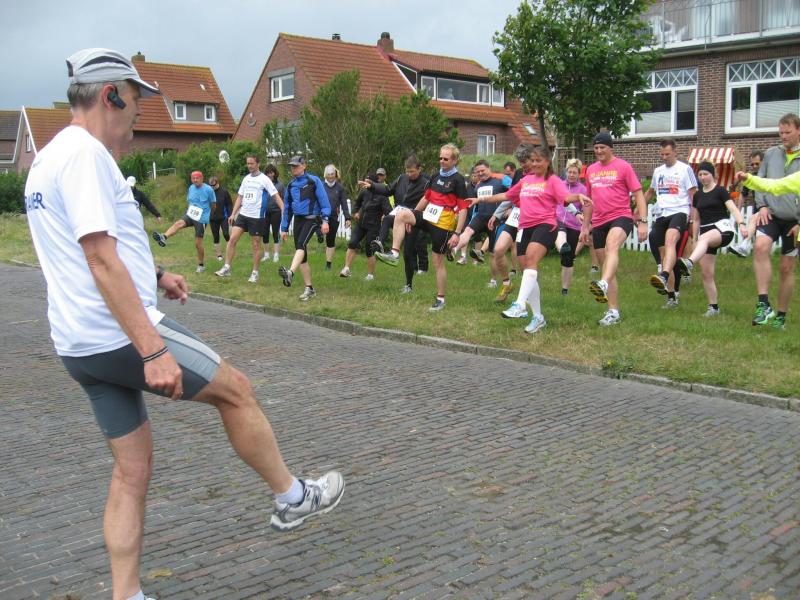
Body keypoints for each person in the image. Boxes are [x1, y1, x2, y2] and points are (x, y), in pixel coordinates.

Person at [24, 47, 344, 600]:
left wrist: (156, 274)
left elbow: (88, 251)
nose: (139, 113)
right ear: (110, 95)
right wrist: (152, 350)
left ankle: (127, 595)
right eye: (135, 100)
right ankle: (293, 498)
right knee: (237, 390)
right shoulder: (85, 156)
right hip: (118, 335)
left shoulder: (50, 158)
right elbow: (99, 258)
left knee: (132, 471)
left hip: (78, 344)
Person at [475, 146, 590, 333]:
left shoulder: (552, 180)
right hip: (524, 228)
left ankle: (520, 304)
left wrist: (578, 196)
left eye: (539, 161)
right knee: (528, 269)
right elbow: (507, 195)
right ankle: (538, 317)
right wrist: (480, 200)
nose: (535, 164)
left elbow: (565, 197)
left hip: (545, 225)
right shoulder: (526, 180)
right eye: (533, 160)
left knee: (531, 261)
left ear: (547, 162)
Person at [375, 143, 469, 311]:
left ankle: (440, 299)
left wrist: (457, 233)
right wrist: (412, 218)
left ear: (454, 160)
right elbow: (426, 198)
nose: (441, 161)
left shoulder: (458, 180)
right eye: (440, 158)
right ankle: (394, 253)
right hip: (428, 216)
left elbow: (463, 209)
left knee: (437, 262)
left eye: (446, 159)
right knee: (402, 214)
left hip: (443, 224)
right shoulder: (435, 176)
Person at [734, 114, 800, 329]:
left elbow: (779, 186)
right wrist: (761, 205)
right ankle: (763, 304)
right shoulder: (771, 154)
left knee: (786, 268)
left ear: (798, 131)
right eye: (781, 132)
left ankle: (781, 317)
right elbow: (764, 183)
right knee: (760, 247)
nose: (783, 136)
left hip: (794, 220)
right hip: (770, 213)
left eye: (788, 132)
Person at [580, 132, 648, 326]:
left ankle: (602, 283)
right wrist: (585, 227)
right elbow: (588, 201)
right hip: (599, 221)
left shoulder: (623, 166)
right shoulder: (591, 170)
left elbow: (639, 195)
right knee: (607, 267)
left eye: (602, 147)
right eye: (596, 148)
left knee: (612, 247)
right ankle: (613, 312)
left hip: (621, 216)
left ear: (611, 148)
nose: (599, 151)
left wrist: (643, 221)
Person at [674, 162, 747, 316]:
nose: (703, 177)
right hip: (705, 236)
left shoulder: (720, 191)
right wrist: (694, 240)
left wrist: (741, 223)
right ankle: (713, 307)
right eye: (700, 175)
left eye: (705, 174)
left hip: (723, 230)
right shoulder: (698, 195)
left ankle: (689, 263)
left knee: (705, 238)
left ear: (713, 175)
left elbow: (733, 209)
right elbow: (696, 219)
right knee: (707, 273)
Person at [643, 139, 697, 308]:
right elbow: (650, 192)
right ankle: (672, 297)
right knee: (663, 251)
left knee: (670, 240)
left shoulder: (685, 169)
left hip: (680, 211)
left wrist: (693, 218)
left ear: (675, 152)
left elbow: (694, 195)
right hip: (662, 213)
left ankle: (664, 275)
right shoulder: (658, 171)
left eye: (667, 154)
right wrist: (638, 209)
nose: (664, 157)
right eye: (662, 154)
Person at [365, 155, 430, 293]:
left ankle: (408, 285)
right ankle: (380, 243)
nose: (409, 174)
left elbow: (428, 203)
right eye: (407, 171)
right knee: (387, 219)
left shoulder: (426, 184)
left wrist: (415, 215)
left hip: (413, 219)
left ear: (419, 169)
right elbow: (387, 189)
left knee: (408, 254)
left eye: (412, 171)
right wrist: (372, 186)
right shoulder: (401, 178)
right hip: (399, 214)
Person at [215, 154, 283, 283]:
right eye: (248, 163)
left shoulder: (264, 179)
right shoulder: (246, 179)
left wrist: (283, 210)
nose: (249, 166)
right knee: (232, 239)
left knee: (256, 245)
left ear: (258, 164)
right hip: (243, 215)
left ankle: (255, 273)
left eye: (252, 163)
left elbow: (275, 196)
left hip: (257, 217)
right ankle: (227, 267)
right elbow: (240, 197)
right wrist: (233, 214)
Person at [278, 155, 332, 300]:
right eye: (292, 166)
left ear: (304, 166)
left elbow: (325, 203)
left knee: (301, 245)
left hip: (312, 219)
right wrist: (284, 228)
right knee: (302, 255)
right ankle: (310, 289)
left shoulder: (313, 181)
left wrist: (325, 221)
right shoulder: (290, 186)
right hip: (298, 220)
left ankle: (290, 273)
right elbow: (287, 209)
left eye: (296, 166)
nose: (293, 168)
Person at [152, 171, 215, 273]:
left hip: (201, 218)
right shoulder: (191, 188)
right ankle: (163, 237)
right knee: (178, 223)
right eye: (193, 178)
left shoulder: (208, 190)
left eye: (197, 178)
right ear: (191, 179)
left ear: (202, 178)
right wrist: (188, 211)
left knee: (198, 243)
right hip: (191, 214)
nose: (195, 180)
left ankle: (201, 265)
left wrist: (209, 216)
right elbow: (190, 201)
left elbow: (213, 205)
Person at [452, 160, 505, 278]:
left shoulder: (500, 181)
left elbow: (511, 195)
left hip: (495, 219)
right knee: (467, 231)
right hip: (480, 216)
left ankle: (493, 280)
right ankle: (454, 250)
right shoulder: (478, 185)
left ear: (489, 168)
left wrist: (508, 210)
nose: (480, 173)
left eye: (483, 170)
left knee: (493, 253)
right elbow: (476, 202)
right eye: (478, 172)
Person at [339, 171, 391, 280]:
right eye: (365, 181)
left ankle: (370, 275)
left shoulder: (382, 195)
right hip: (361, 223)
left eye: (367, 181)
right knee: (352, 243)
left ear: (373, 183)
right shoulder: (364, 191)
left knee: (369, 249)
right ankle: (346, 269)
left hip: (373, 226)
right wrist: (355, 212)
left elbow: (388, 211)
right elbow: (357, 203)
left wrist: (384, 216)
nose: (365, 183)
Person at [558, 159, 588, 295]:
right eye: (569, 172)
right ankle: (561, 245)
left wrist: (584, 222)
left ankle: (565, 289)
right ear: (566, 172)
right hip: (558, 221)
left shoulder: (583, 190)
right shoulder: (559, 185)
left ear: (578, 174)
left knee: (568, 259)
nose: (571, 175)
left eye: (574, 173)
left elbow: (586, 209)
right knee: (561, 235)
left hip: (574, 226)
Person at [729, 150, 765, 257]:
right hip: (757, 207)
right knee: (756, 232)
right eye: (752, 164)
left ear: (763, 162)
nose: (754, 166)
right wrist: (738, 211)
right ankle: (746, 247)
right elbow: (743, 194)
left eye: (757, 164)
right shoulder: (750, 177)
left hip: (770, 208)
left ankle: (744, 246)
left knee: (752, 220)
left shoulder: (769, 175)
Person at [322, 164, 351, 270]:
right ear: (325, 175)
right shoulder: (321, 186)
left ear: (335, 174)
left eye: (332, 174)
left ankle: (328, 264)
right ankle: (319, 235)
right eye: (328, 174)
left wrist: (347, 218)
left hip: (334, 217)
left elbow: (344, 204)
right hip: (321, 216)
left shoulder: (340, 188)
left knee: (330, 240)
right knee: (320, 234)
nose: (330, 176)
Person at [261, 164, 285, 264]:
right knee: (265, 233)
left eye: (271, 172)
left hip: (276, 211)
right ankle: (266, 255)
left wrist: (283, 210)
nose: (270, 175)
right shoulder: (263, 184)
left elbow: (283, 198)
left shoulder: (280, 185)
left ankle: (276, 255)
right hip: (265, 212)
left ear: (275, 173)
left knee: (275, 233)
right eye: (267, 173)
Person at [207, 176, 233, 262]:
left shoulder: (224, 192)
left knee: (226, 234)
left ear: (217, 183)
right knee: (216, 237)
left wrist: (230, 215)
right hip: (212, 218)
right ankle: (219, 255)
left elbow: (229, 204)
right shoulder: (208, 193)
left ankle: (230, 251)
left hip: (223, 217)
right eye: (210, 185)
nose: (212, 187)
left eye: (214, 185)